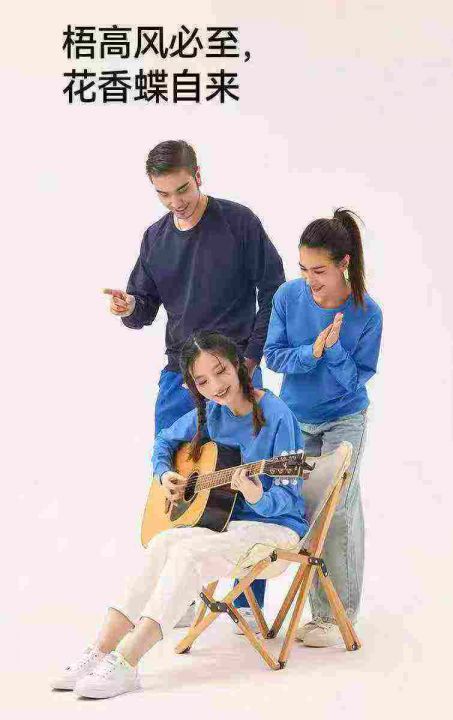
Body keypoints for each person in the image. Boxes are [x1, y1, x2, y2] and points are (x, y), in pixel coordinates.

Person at [51, 332, 308, 699]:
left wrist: (258, 496)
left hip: (276, 531)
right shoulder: (211, 413)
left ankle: (127, 661)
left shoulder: (277, 415)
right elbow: (164, 441)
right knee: (163, 542)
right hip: (228, 525)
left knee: (188, 552)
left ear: (238, 364)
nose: (215, 386)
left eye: (220, 371)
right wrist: (163, 473)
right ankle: (100, 650)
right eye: (202, 381)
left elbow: (288, 496)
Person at [103, 139, 285, 619]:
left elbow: (274, 290)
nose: (175, 202)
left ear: (198, 176)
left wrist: (250, 359)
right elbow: (144, 307)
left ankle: (246, 602)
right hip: (178, 379)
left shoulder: (238, 222)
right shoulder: (155, 238)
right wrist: (129, 306)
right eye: (163, 194)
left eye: (182, 189)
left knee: (244, 481)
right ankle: (177, 600)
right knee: (176, 481)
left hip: (233, 373)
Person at [263, 208, 382, 647]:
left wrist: (331, 351)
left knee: (338, 509)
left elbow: (355, 380)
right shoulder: (287, 297)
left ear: (343, 264)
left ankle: (333, 616)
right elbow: (273, 356)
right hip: (296, 418)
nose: (309, 279)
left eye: (319, 271)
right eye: (303, 269)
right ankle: (313, 608)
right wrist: (313, 350)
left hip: (344, 418)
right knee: (303, 507)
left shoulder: (367, 312)